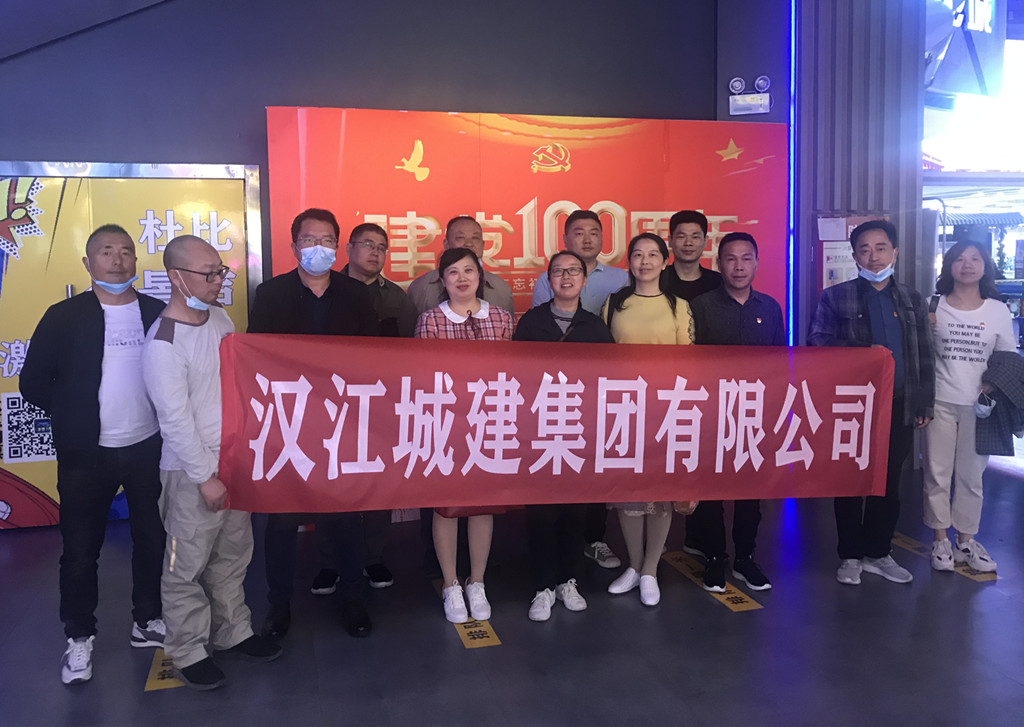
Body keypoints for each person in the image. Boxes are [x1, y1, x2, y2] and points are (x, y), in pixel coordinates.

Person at [20, 223, 167, 686]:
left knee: (152, 539)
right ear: (88, 262)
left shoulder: (157, 312)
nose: (117, 261)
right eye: (106, 252)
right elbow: (33, 382)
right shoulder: (64, 316)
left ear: (136, 261)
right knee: (81, 552)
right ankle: (79, 636)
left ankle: (147, 620)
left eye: (126, 252)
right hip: (87, 454)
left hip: (148, 447)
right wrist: (76, 413)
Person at [143, 235, 280, 691]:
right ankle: (188, 650)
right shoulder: (163, 343)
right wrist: (205, 477)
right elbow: (175, 420)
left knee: (232, 555)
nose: (218, 280)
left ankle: (233, 630)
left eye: (220, 271)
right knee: (185, 565)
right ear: (176, 277)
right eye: (208, 274)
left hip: (235, 460)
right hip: (191, 472)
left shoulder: (219, 318)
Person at [247, 208, 379, 642]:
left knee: (346, 515)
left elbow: (373, 358)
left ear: (338, 247)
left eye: (326, 241)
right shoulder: (271, 294)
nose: (318, 248)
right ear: (294, 246)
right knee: (282, 519)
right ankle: (279, 604)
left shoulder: (356, 295)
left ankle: (354, 597)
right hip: (289, 420)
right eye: (309, 240)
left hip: (342, 420)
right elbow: (257, 355)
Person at [809, 220, 934, 586]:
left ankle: (878, 553)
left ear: (895, 252)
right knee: (849, 481)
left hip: (899, 402)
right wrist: (864, 352)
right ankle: (849, 555)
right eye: (864, 249)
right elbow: (818, 343)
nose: (873, 256)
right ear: (854, 256)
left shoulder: (912, 299)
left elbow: (924, 354)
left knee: (888, 483)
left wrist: (924, 402)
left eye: (880, 248)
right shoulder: (836, 296)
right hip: (852, 406)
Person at [513, 251, 614, 621]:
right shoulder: (531, 323)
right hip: (538, 431)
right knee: (540, 510)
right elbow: (515, 374)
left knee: (575, 507)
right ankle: (542, 586)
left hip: (580, 431)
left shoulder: (595, 327)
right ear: (548, 280)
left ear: (584, 280)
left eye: (573, 271)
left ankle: (568, 581)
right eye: (558, 271)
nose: (566, 277)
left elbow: (610, 379)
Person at [415, 247, 515, 623]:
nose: (462, 278)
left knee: (481, 504)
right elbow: (425, 375)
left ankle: (477, 581)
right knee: (447, 505)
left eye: (469, 271)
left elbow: (512, 372)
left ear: (480, 276)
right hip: (446, 424)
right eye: (453, 272)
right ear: (442, 280)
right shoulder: (430, 320)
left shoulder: (501, 318)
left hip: (490, 422)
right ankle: (451, 583)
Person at [531, 209, 630, 571]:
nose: (586, 239)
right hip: (549, 400)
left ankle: (592, 541)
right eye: (578, 232)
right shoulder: (539, 304)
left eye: (593, 232)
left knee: (591, 474)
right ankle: (546, 561)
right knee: (550, 479)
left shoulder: (621, 280)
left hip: (594, 399)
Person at [688, 232, 785, 592]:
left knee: (750, 491)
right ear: (719, 264)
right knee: (711, 490)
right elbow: (689, 360)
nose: (739, 266)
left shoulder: (770, 308)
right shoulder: (701, 306)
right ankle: (715, 556)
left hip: (755, 414)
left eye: (746, 258)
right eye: (730, 259)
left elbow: (780, 362)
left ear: (757, 263)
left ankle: (745, 557)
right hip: (712, 412)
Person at [602, 233, 694, 606]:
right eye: (638, 255)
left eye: (653, 254)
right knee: (629, 491)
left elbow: (689, 363)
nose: (645, 261)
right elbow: (601, 358)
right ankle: (634, 564)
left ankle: (652, 568)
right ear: (629, 261)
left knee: (660, 492)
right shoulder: (614, 303)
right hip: (624, 408)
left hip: (664, 409)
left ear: (664, 261)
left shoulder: (679, 306)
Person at [923, 241, 1013, 573]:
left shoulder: (998, 311)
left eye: (975, 258)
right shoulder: (933, 305)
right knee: (937, 474)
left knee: (972, 477)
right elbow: (922, 353)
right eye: (959, 258)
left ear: (985, 266)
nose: (967, 264)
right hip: (940, 402)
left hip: (979, 407)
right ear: (948, 265)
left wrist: (992, 384)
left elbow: (1007, 359)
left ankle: (966, 540)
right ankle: (940, 540)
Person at [341, 222, 418, 588]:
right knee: (333, 480)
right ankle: (331, 560)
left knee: (377, 482)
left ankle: (373, 557)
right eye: (367, 244)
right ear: (349, 249)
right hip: (333, 402)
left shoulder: (398, 298)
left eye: (382, 247)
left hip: (382, 405)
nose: (375, 252)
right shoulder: (328, 289)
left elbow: (410, 354)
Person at [407, 215, 514, 317]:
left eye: (475, 238)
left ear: (483, 245)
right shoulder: (420, 288)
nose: (469, 244)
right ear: (446, 244)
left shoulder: (501, 288)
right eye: (460, 238)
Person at [660, 210, 723, 301]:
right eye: (681, 237)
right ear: (670, 241)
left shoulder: (719, 283)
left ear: (705, 241)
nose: (688, 243)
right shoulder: (656, 280)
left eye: (695, 237)